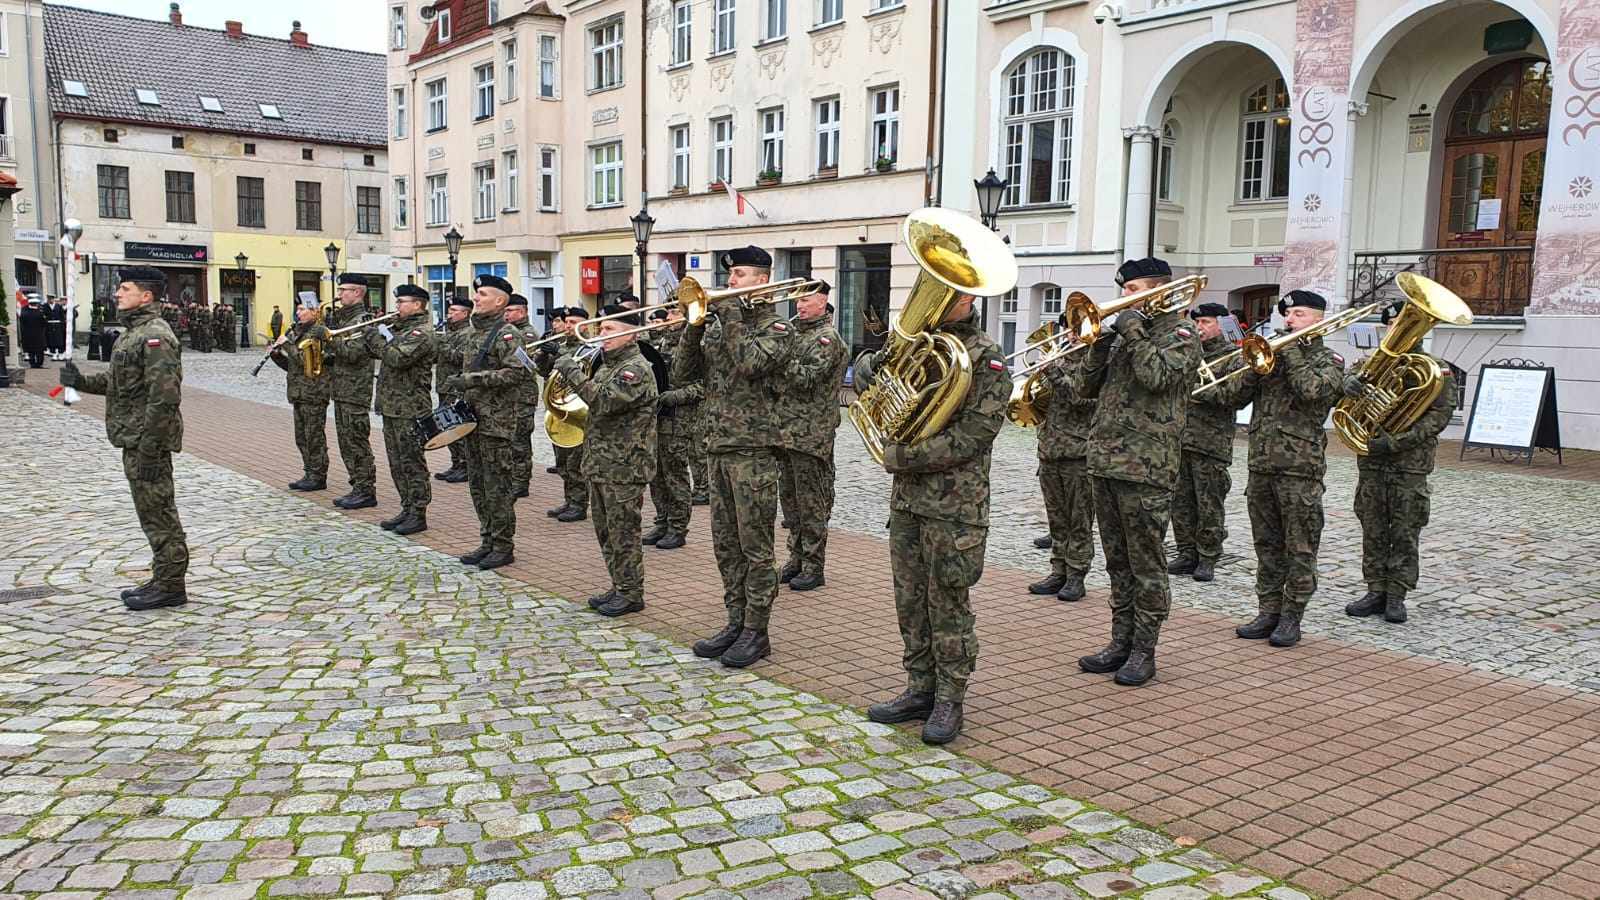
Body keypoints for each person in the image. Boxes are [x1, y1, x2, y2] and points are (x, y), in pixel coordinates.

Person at [858, 290, 1010, 745]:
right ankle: (919, 687)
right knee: (910, 600)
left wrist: (906, 456)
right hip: (907, 501)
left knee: (947, 602)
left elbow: (975, 435)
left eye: (955, 291)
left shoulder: (985, 356)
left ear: (969, 298)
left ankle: (950, 698)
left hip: (954, 505)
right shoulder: (919, 342)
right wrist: (871, 369)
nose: (943, 298)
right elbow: (886, 390)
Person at [1074, 257, 1202, 686]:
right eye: (1125, 291)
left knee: (1146, 564)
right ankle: (1120, 641)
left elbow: (1158, 377)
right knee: (1117, 562)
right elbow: (1083, 390)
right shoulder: (1125, 337)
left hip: (1146, 468)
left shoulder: (1179, 334)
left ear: (1158, 291)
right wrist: (1096, 343)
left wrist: (1131, 330)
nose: (1124, 299)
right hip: (1106, 461)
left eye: (1131, 291)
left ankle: (1144, 650)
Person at [673, 246, 792, 668]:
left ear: (762, 280)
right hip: (718, 448)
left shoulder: (777, 327)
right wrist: (694, 323)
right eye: (732, 275)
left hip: (754, 451)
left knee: (755, 546)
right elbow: (681, 373)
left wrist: (733, 317)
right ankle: (735, 619)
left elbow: (752, 365)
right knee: (726, 545)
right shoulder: (724, 323)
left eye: (740, 275)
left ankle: (756, 631)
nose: (731, 282)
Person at [1212, 290, 1351, 648]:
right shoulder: (1271, 355)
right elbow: (1232, 398)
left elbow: (1313, 392)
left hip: (1299, 467)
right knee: (1267, 543)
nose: (1290, 321)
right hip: (1261, 462)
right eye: (1288, 316)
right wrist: (1254, 369)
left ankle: (1292, 616)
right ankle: (1268, 609)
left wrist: (1287, 353)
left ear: (1319, 318)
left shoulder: (1329, 359)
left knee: (1300, 546)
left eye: (1300, 315)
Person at [59, 267, 189, 610]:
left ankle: (172, 585)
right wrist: (79, 381)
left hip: (149, 442)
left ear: (146, 296)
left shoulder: (155, 337)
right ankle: (164, 576)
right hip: (134, 438)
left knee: (160, 513)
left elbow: (164, 398)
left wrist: (149, 449)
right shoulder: (131, 334)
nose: (118, 294)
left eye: (125, 288)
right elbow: (119, 385)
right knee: (150, 512)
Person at [1348, 322, 1454, 625]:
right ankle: (1375, 589)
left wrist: (1394, 441)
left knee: (1405, 531)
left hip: (1409, 463)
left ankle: (1397, 594)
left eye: (1403, 322)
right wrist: (1349, 385)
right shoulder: (1368, 364)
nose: (1397, 328)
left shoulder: (1435, 369)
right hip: (1371, 462)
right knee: (1373, 527)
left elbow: (1439, 416)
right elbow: (1342, 397)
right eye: (1392, 324)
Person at [557, 306, 658, 616]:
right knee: (606, 531)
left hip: (624, 466)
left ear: (633, 333)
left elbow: (602, 400)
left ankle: (631, 593)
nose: (603, 336)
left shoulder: (635, 369)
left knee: (624, 532)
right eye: (601, 330)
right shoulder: (608, 364)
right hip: (602, 462)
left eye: (610, 330)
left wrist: (571, 371)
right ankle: (619, 585)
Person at [439, 274, 533, 569]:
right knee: (478, 485)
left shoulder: (507, 334)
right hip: (473, 419)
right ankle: (488, 540)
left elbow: (518, 373)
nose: (476, 298)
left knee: (498, 487)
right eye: (476, 294)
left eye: (482, 294)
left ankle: (503, 546)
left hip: (497, 423)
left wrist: (470, 380)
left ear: (500, 301)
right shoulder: (472, 332)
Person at [777, 284, 848, 592]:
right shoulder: (793, 332)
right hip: (785, 431)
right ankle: (795, 557)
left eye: (805, 300)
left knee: (812, 502)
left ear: (823, 302)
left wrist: (778, 356)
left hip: (811, 433)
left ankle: (814, 564)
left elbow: (806, 378)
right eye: (797, 300)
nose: (799, 305)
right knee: (790, 501)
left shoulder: (827, 339)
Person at [1027, 317, 1098, 603]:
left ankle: (1076, 576)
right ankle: (1058, 570)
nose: (1070, 334)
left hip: (1078, 453)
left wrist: (1053, 373)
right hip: (1050, 449)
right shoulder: (1059, 357)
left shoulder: (1094, 364)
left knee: (1078, 519)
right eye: (1068, 329)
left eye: (1077, 329)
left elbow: (1083, 400)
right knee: (1057, 519)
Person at [1169, 302, 1238, 582]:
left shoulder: (1233, 355)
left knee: (1209, 503)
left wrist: (1196, 390)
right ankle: (1186, 552)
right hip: (1180, 437)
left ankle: (1208, 556)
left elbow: (1232, 395)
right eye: (1197, 323)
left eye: (1206, 322)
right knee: (1180, 501)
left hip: (1212, 442)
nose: (1200, 328)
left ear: (1222, 324)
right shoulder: (1188, 352)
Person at [369, 285, 436, 535]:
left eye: (401, 302)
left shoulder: (421, 332)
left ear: (417, 304)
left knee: (411, 462)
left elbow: (397, 357)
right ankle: (406, 507)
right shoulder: (402, 329)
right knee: (396, 462)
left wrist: (375, 337)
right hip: (392, 406)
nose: (396, 306)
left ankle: (418, 512)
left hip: (411, 408)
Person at [646, 305, 700, 550]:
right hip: (655, 418)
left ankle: (678, 527)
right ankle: (662, 521)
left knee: (675, 475)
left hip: (678, 419)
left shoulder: (697, 345)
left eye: (674, 313)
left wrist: (674, 396)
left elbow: (706, 386)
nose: (668, 318)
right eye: (667, 314)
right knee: (656, 475)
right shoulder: (661, 342)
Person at [324, 274, 380, 509]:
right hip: (342, 388)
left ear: (358, 292)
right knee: (346, 441)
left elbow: (353, 353)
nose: (339, 295)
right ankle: (357, 485)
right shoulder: (343, 319)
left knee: (356, 441)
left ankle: (366, 489)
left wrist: (328, 339)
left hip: (356, 390)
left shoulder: (364, 320)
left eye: (344, 290)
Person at [269, 297, 331, 492]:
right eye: (297, 309)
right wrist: (276, 355)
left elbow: (306, 361)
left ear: (314, 311)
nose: (298, 313)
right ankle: (309, 471)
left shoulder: (318, 332)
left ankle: (318, 475)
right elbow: (293, 367)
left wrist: (286, 345)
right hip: (298, 392)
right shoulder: (299, 331)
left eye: (303, 309)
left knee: (314, 436)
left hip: (314, 392)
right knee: (301, 437)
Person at [537, 307, 590, 522]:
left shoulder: (590, 347)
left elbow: (581, 373)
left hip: (577, 408)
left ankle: (579, 503)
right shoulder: (561, 346)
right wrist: (543, 356)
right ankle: (570, 499)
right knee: (562, 461)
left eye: (574, 322)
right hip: (558, 409)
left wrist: (559, 354)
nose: (568, 326)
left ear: (585, 325)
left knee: (576, 462)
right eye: (567, 322)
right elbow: (543, 373)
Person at [433, 293, 474, 483]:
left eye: (454, 311)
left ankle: (465, 465)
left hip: (456, 388)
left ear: (465, 314)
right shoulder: (450, 332)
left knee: (458, 427)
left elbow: (461, 358)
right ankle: (456, 463)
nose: (450, 314)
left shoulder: (467, 333)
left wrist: (442, 345)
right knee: (447, 426)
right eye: (449, 310)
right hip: (444, 386)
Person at [503, 293, 539, 499]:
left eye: (510, 310)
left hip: (523, 396)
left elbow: (524, 366)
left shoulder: (527, 334)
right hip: (511, 395)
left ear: (523, 311)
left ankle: (521, 482)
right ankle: (513, 478)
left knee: (520, 442)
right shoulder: (508, 331)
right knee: (510, 440)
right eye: (505, 310)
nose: (506, 314)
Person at [18, 299, 46, 368]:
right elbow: (44, 323)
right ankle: (39, 363)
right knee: (39, 350)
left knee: (31, 350)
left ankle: (32, 363)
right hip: (38, 335)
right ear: (36, 304)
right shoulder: (40, 313)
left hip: (28, 334)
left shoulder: (24, 313)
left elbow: (22, 324)